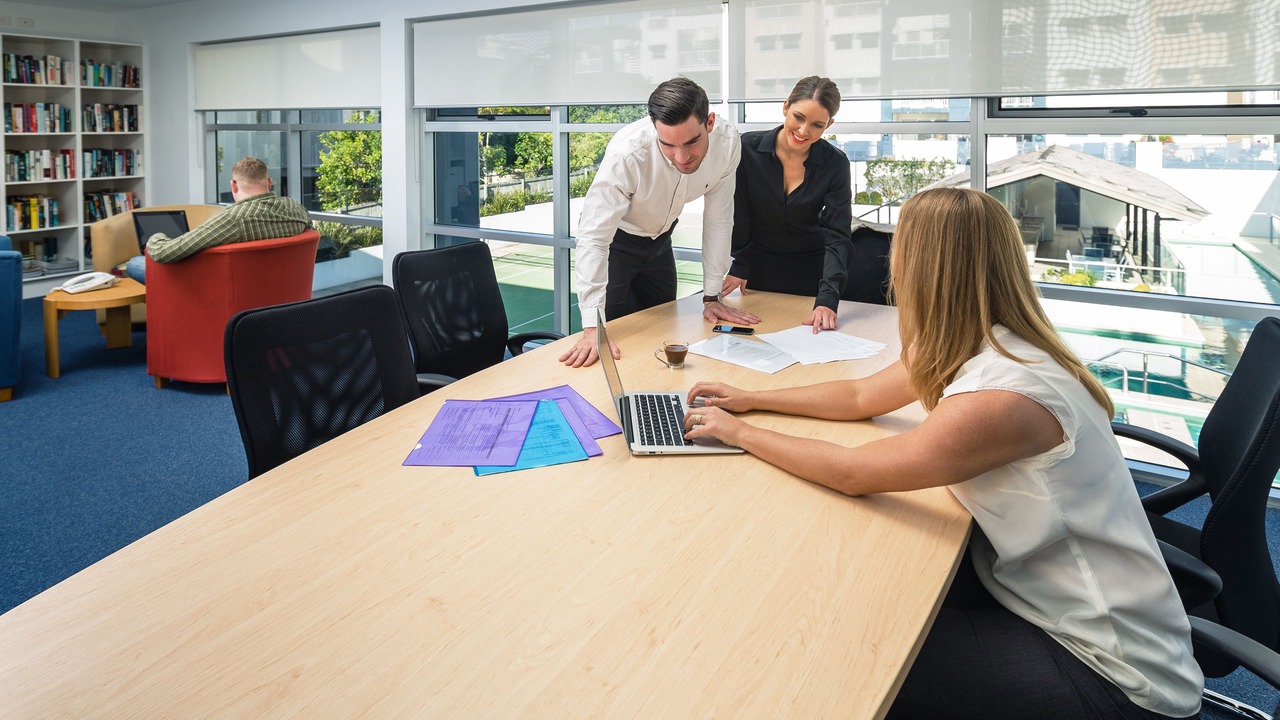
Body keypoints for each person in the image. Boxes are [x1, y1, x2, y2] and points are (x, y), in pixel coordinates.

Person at [683, 187, 1203, 719]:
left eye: (899, 251)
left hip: (1108, 667)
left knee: (835, 661)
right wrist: (752, 400)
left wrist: (740, 435)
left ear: (923, 267)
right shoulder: (985, 339)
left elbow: (853, 472)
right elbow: (861, 396)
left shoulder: (1006, 393)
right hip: (1029, 588)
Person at [560, 77, 761, 368]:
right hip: (617, 243)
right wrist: (592, 327)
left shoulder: (728, 143)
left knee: (663, 329)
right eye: (668, 145)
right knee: (611, 342)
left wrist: (712, 296)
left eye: (692, 142)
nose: (682, 157)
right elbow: (594, 237)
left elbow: (719, 216)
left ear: (710, 122)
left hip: (660, 241)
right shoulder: (627, 153)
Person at [723, 76, 853, 332]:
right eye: (799, 117)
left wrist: (828, 299)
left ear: (830, 125)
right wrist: (740, 264)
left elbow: (838, 235)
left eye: (817, 125)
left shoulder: (835, 164)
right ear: (785, 107)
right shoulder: (745, 149)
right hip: (755, 271)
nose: (804, 131)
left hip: (810, 273)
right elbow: (738, 212)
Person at [125, 156, 312, 283]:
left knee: (134, 262)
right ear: (269, 183)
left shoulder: (233, 218)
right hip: (278, 285)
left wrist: (155, 237)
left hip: (219, 285)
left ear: (233, 185)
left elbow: (165, 253)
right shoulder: (295, 207)